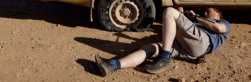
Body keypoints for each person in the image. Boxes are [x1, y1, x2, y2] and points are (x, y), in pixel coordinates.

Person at [94, 6, 231, 77]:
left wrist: (196, 18)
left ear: (217, 15)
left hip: (202, 42)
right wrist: (183, 16)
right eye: (205, 12)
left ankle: (165, 58)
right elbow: (169, 29)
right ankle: (113, 65)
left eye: (209, 11)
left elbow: (217, 28)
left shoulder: (223, 22)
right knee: (150, 47)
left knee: (169, 11)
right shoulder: (198, 23)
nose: (206, 13)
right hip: (187, 49)